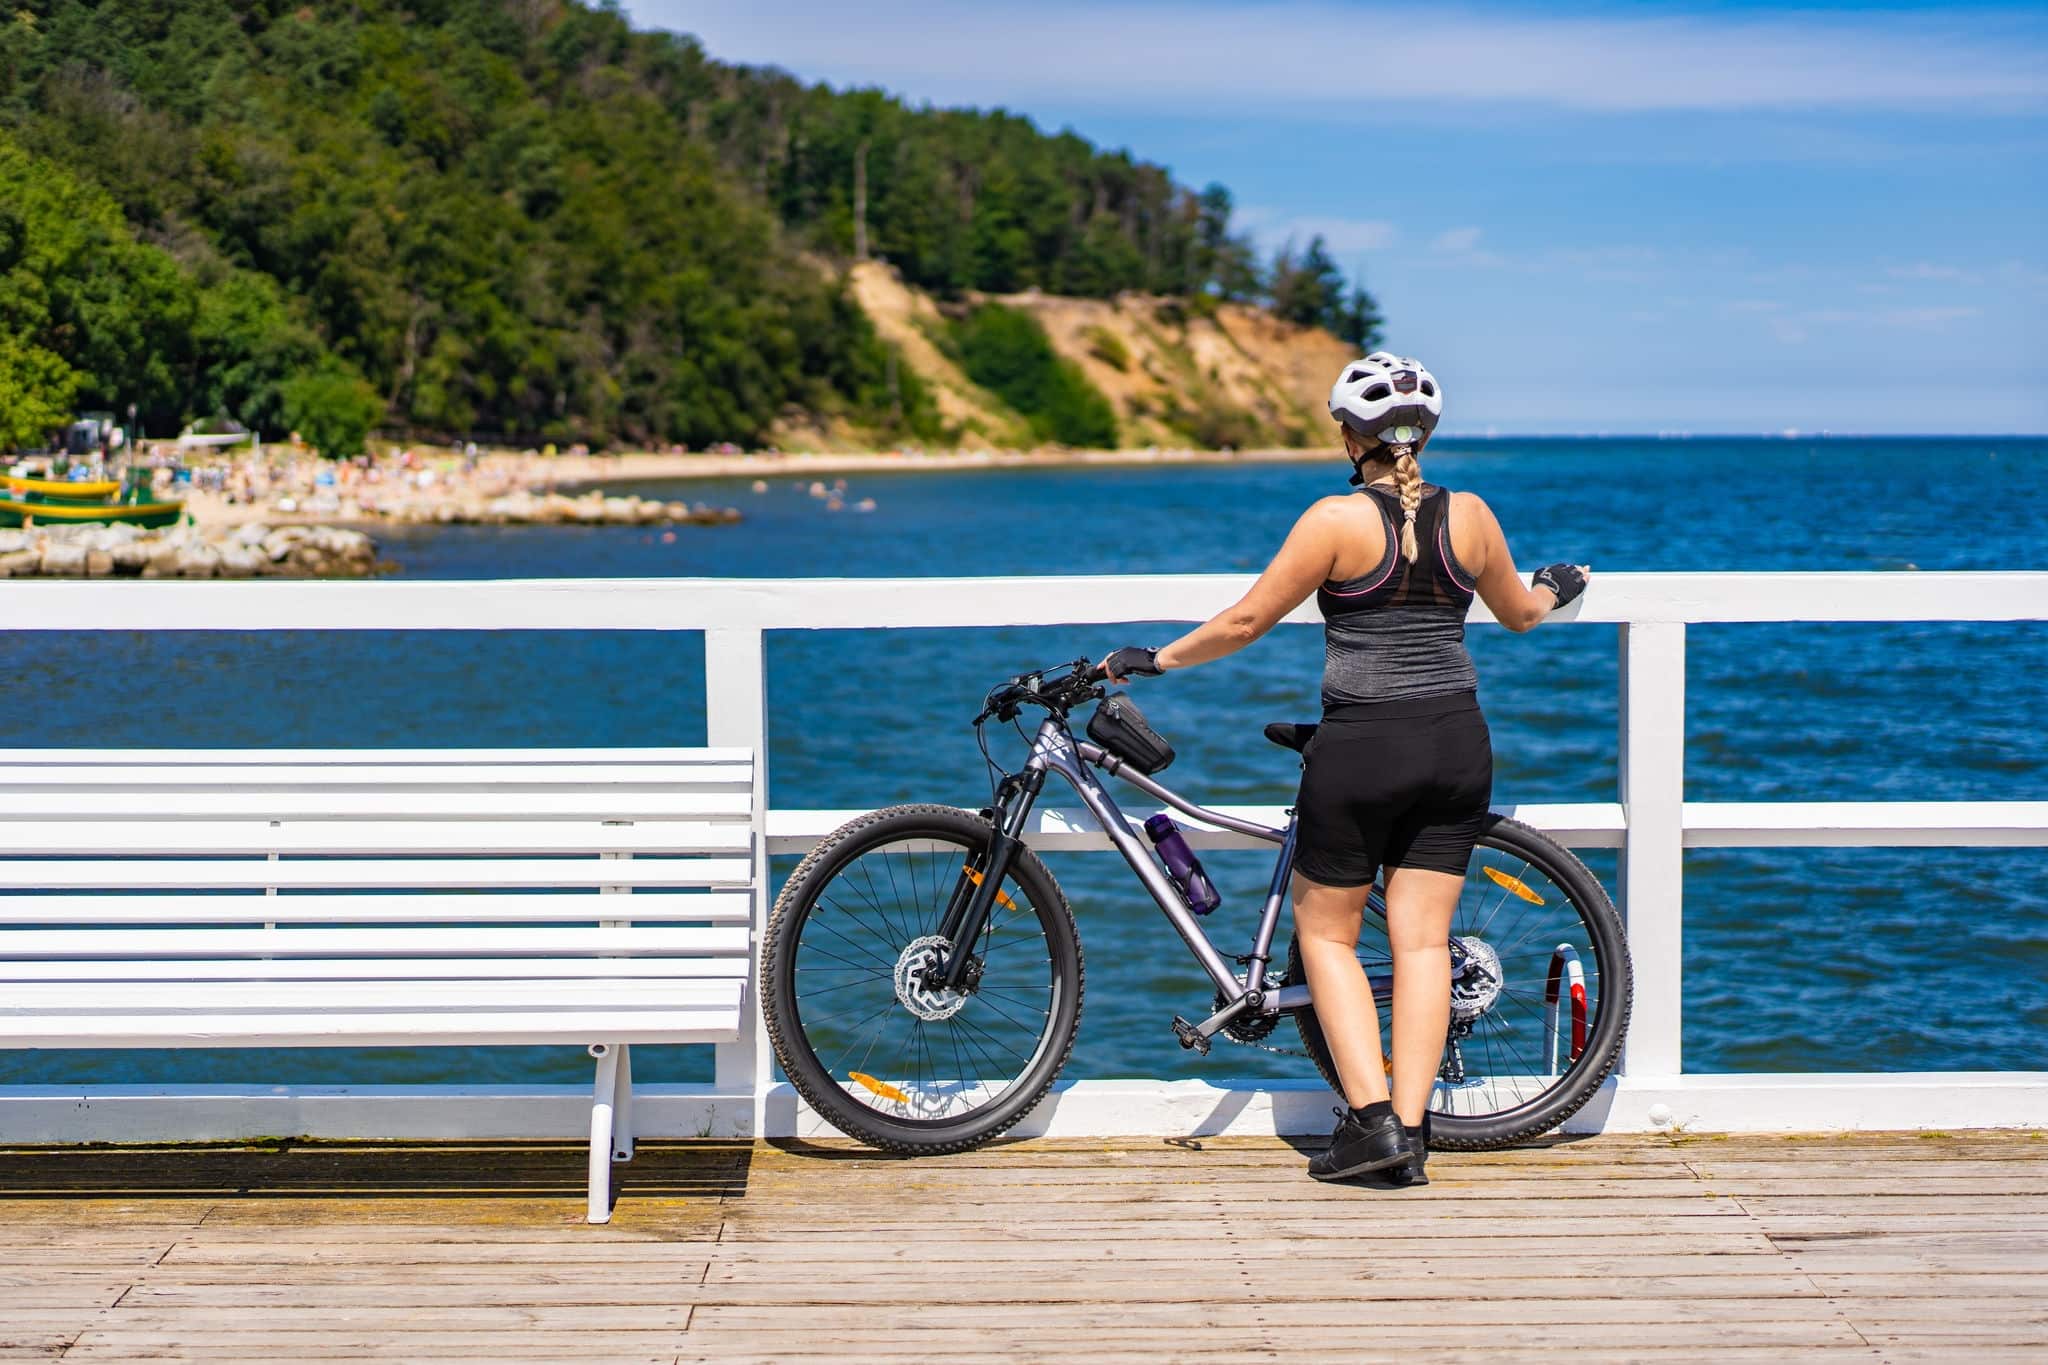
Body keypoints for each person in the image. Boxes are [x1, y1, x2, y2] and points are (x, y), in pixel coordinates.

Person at [1099, 352, 1589, 1188]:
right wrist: (1553, 584)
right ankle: (1412, 1121)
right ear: (1425, 434)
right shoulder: (1470, 516)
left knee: (1326, 934)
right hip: (1457, 742)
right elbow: (1519, 615)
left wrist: (1154, 658)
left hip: (1363, 745)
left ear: (1346, 434)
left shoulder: (1334, 519)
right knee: (1425, 940)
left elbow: (1249, 617)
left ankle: (1373, 1129)